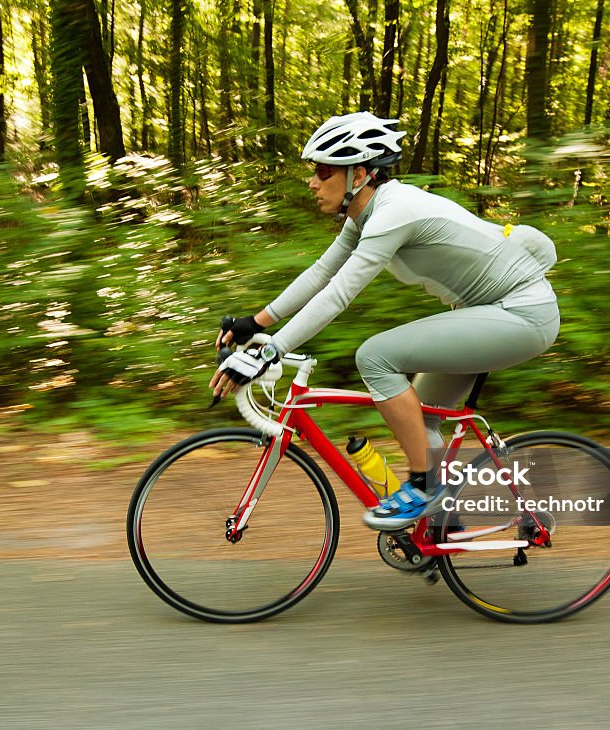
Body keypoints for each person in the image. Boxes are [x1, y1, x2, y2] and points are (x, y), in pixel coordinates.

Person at [209, 112, 559, 530]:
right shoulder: (367, 214)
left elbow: (340, 294)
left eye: (323, 171)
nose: (313, 182)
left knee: (375, 356)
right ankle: (442, 527)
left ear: (358, 174)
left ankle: (422, 487)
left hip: (521, 314)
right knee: (422, 421)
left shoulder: (396, 211)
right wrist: (256, 320)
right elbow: (322, 273)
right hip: (487, 313)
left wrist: (270, 351)